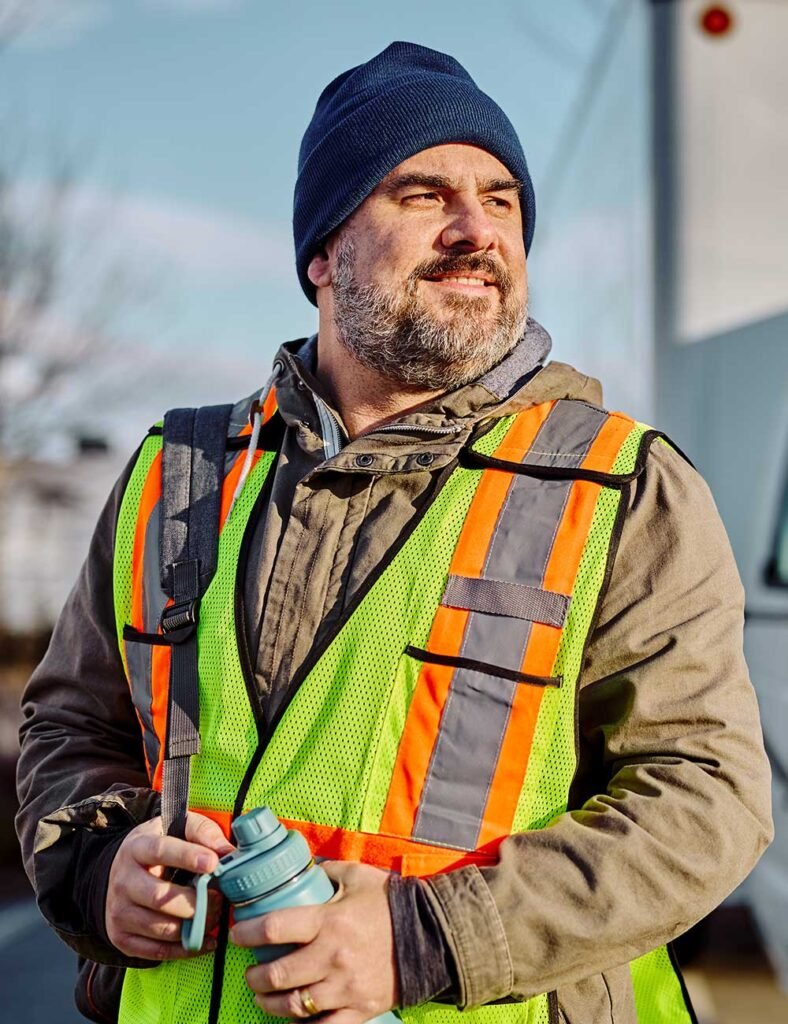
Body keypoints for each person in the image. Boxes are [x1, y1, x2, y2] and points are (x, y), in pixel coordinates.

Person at [16, 41, 772, 1024]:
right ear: (321, 256)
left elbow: (704, 799)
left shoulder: (623, 487)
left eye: (500, 199)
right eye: (421, 196)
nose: (476, 230)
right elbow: (72, 726)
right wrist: (98, 863)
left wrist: (422, 939)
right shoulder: (178, 470)